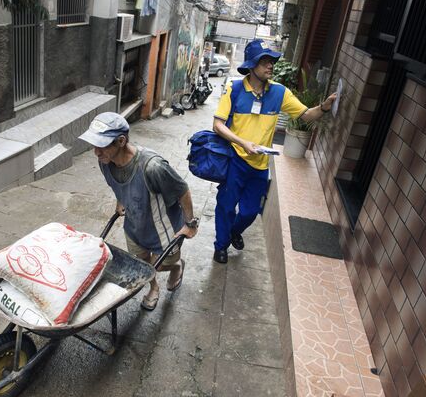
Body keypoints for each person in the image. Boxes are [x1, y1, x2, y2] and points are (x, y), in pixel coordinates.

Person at [212, 39, 337, 264]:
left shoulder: (280, 93)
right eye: (264, 61)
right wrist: (242, 142)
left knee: (250, 212)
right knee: (226, 206)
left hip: (260, 166)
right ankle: (220, 245)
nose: (270, 66)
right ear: (252, 65)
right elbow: (218, 125)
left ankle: (233, 232)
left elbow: (306, 115)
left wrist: (324, 107)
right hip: (235, 161)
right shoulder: (235, 89)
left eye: (272, 62)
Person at [78, 112, 199, 310]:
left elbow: (182, 190)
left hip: (163, 230)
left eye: (102, 146)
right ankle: (153, 288)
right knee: (141, 265)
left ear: (121, 141)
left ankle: (176, 266)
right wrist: (121, 200)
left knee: (159, 265)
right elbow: (117, 185)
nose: (96, 152)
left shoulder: (153, 166)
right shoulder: (105, 163)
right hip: (134, 226)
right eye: (94, 145)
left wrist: (190, 224)